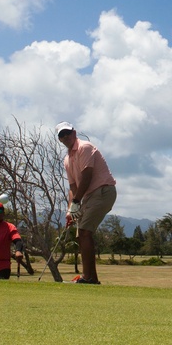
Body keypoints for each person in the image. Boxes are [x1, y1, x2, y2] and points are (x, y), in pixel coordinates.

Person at [56, 121, 116, 285]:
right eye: (61, 135)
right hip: (89, 195)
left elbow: (87, 176)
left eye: (67, 132)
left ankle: (88, 278)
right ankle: (91, 278)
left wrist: (76, 202)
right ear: (59, 139)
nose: (65, 136)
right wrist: (70, 209)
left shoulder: (85, 147)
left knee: (84, 231)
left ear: (74, 132)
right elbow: (73, 186)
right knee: (81, 235)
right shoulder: (67, 159)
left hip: (103, 191)